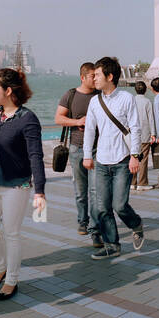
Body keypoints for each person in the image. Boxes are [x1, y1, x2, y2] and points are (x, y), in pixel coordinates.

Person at [0, 70, 46, 301]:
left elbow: (35, 156)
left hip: (17, 185)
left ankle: (11, 279)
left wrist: (40, 191)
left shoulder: (27, 119)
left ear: (8, 91)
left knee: (11, 233)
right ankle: (1, 265)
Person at [82, 56, 145, 258]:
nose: (94, 78)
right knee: (102, 208)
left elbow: (135, 128)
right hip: (101, 161)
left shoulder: (126, 98)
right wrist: (86, 156)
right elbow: (90, 131)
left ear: (110, 76)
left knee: (119, 205)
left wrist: (135, 156)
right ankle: (112, 245)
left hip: (122, 161)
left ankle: (136, 223)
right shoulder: (94, 101)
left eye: (98, 75)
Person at [55, 63, 99, 247]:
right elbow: (58, 118)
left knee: (96, 191)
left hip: (98, 150)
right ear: (83, 77)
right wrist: (77, 121)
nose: (95, 79)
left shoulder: (100, 95)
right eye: (92, 76)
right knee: (81, 191)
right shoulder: (71, 95)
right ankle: (83, 221)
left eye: (97, 75)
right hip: (76, 148)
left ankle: (96, 229)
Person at [130, 81, 158, 191]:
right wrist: (153, 134)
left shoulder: (131, 101)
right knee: (143, 160)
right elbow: (151, 118)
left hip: (132, 134)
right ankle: (142, 183)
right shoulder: (147, 102)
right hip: (145, 134)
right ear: (145, 90)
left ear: (135, 90)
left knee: (133, 157)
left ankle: (132, 182)